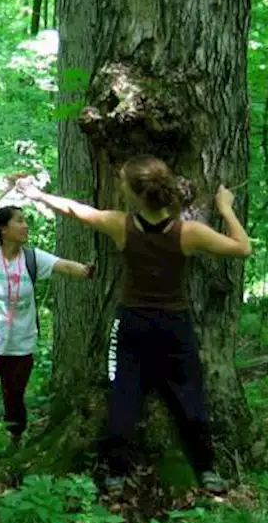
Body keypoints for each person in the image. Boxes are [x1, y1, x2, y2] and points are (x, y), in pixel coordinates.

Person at [21, 157, 252, 492]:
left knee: (124, 394)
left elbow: (73, 209)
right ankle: (207, 470)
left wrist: (37, 195)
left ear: (134, 194)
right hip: (176, 325)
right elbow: (242, 248)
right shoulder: (189, 233)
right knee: (190, 396)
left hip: (132, 323)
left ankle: (116, 474)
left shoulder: (121, 225)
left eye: (122, 182)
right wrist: (225, 207)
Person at [0, 175, 96, 462]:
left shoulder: (33, 258)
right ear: (3, 228)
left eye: (25, 220)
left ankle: (15, 445)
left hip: (21, 344)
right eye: (19, 221)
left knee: (15, 399)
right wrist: (5, 189)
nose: (26, 226)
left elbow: (66, 267)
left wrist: (87, 270)